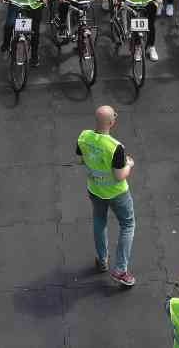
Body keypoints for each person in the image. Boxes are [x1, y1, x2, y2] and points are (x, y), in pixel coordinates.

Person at [77, 104, 137, 287]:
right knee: (127, 224)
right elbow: (119, 176)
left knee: (99, 220)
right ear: (112, 122)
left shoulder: (84, 137)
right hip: (117, 193)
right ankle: (120, 269)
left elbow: (81, 159)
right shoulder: (115, 147)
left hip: (95, 189)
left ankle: (102, 260)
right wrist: (130, 165)